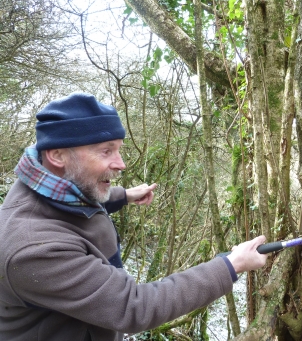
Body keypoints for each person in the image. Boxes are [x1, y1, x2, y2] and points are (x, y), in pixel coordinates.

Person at [0, 92, 267, 341]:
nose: (121, 163)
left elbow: (75, 199)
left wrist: (124, 195)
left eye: (118, 149)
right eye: (106, 151)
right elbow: (133, 306)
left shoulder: (44, 183)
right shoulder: (33, 249)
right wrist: (230, 265)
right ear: (57, 154)